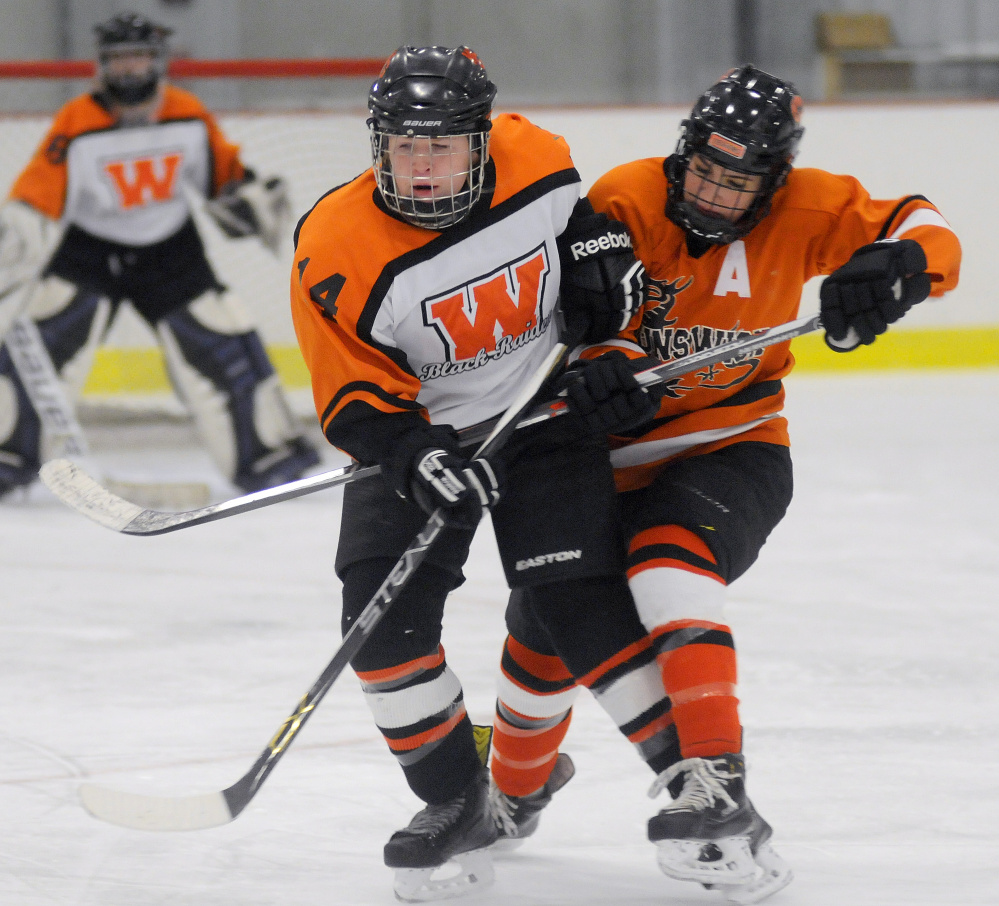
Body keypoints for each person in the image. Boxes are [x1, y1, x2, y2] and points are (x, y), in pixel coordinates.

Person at [486, 64, 962, 904]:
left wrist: (894, 264)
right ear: (682, 153)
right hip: (612, 459)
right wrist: (605, 365)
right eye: (702, 169)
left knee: (666, 567)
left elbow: (925, 226)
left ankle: (714, 777)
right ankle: (514, 790)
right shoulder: (627, 199)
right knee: (540, 633)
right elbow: (592, 316)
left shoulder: (811, 206)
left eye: (735, 182)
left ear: (771, 184)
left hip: (732, 445)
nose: (710, 193)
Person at [290, 45, 665, 902]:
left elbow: (589, 233)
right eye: (402, 146)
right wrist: (410, 450)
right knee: (379, 632)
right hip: (427, 442)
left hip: (541, 417)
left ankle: (696, 778)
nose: (420, 168)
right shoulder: (335, 240)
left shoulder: (536, 156)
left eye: (442, 146)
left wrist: (601, 273)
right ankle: (464, 800)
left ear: (482, 143)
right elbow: (348, 391)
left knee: (577, 601)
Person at [0, 11, 319, 499]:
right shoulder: (77, 122)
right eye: (119, 62)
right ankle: (9, 457)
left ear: (158, 61)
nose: (130, 73)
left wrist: (247, 195)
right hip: (90, 251)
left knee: (225, 348)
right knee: (37, 352)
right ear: (102, 67)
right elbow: (37, 196)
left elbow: (222, 176)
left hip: (170, 251)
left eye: (139, 59)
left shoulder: (188, 112)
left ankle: (268, 458)